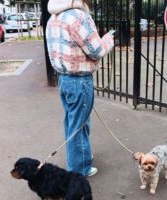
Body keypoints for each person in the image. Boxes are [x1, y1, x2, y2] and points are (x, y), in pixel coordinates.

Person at [45, 0, 114, 177]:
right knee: (78, 125)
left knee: (72, 122)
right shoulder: (78, 16)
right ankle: (79, 169)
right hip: (79, 81)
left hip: (64, 79)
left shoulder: (53, 17)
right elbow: (96, 50)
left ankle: (80, 155)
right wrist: (107, 40)